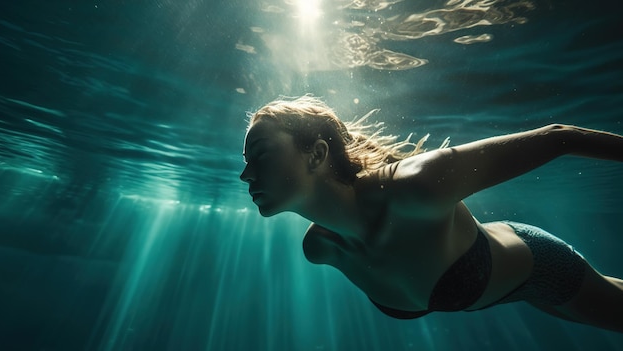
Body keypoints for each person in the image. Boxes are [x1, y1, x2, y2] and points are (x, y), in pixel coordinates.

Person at [239, 95, 623, 332]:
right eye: (245, 160)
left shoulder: (417, 186)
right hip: (505, 290)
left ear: (318, 154)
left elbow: (560, 136)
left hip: (541, 266)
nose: (245, 174)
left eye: (261, 155)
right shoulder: (321, 249)